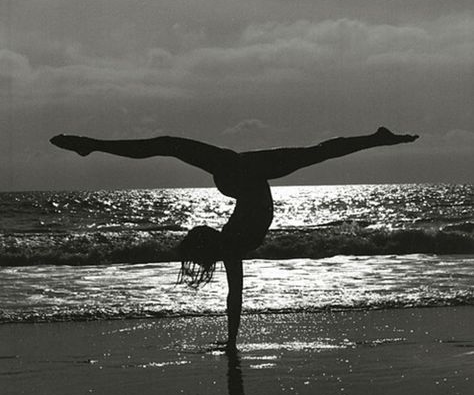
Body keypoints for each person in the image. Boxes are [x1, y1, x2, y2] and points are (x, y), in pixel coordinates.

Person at [50, 126, 418, 348]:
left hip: (242, 174)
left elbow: (235, 296)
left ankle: (91, 144)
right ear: (208, 241)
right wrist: (230, 341)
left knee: (165, 144)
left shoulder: (232, 247)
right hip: (240, 173)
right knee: (165, 144)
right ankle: (91, 144)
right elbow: (234, 297)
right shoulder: (231, 245)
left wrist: (232, 342)